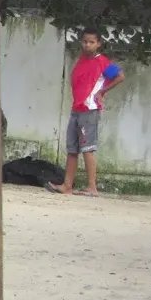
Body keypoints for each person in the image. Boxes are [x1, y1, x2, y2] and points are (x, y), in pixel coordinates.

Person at [47, 28, 124, 196]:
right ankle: (67, 185)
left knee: (87, 148)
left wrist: (102, 91)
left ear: (98, 44)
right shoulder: (81, 59)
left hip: (89, 109)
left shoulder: (102, 61)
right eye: (85, 41)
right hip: (77, 108)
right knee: (72, 149)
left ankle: (92, 187)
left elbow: (120, 76)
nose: (87, 45)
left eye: (92, 42)